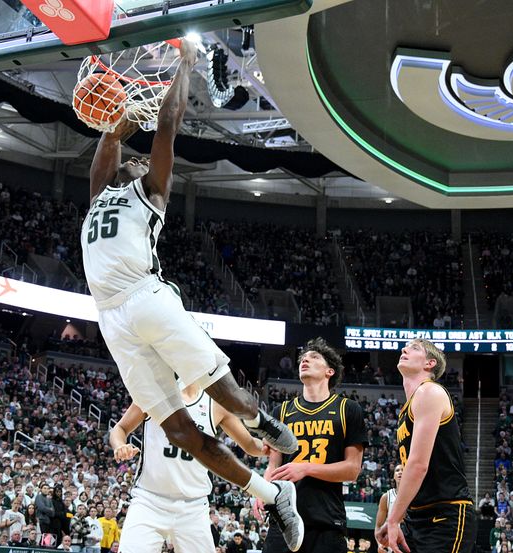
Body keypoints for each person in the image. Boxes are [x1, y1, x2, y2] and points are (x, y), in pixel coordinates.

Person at [80, 37, 300, 551]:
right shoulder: (98, 194)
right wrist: (116, 113)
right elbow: (110, 142)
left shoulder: (150, 193)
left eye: (137, 162)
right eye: (126, 161)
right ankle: (274, 496)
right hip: (111, 317)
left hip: (146, 297)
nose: (131, 161)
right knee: (178, 431)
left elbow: (168, 124)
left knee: (228, 397)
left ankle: (262, 420)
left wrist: (184, 61)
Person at [111, 381, 295, 553]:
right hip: (149, 501)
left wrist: (267, 446)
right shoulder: (153, 393)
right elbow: (119, 429)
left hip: (193, 506)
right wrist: (120, 445)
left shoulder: (216, 405)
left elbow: (249, 445)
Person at [261, 338, 367, 553]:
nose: (305, 360)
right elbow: (273, 466)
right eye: (302, 358)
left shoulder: (348, 409)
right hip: (283, 519)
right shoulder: (281, 412)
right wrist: (262, 491)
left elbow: (352, 470)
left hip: (326, 520)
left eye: (314, 357)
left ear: (330, 371)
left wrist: (306, 467)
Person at [374, 339, 477, 553]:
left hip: (446, 513)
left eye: (414, 348)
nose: (404, 349)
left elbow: (419, 464)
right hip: (418, 515)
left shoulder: (429, 391)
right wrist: (399, 518)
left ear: (429, 363)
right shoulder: (408, 408)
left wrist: (393, 519)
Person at [375, 465, 402, 553]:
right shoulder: (386, 497)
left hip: (411, 542)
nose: (400, 472)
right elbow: (378, 525)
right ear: (394, 476)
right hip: (391, 545)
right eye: (397, 470)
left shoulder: (416, 496)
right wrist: (379, 544)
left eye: (403, 470)